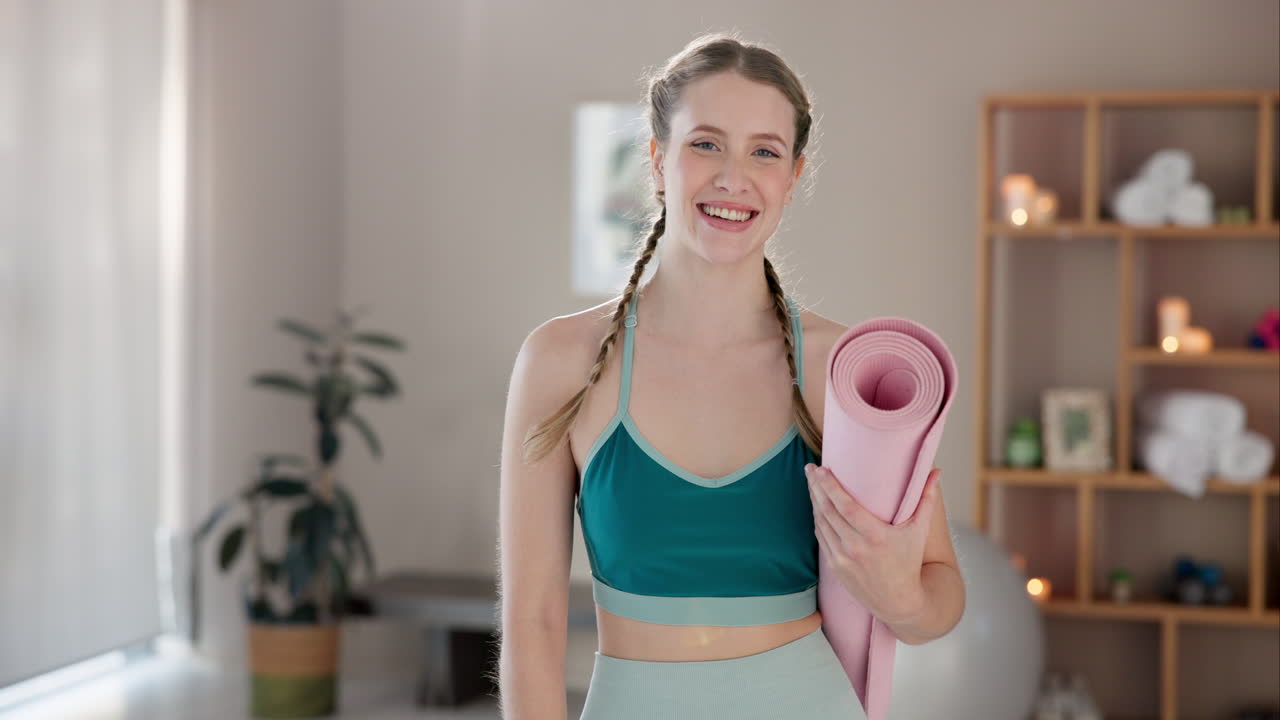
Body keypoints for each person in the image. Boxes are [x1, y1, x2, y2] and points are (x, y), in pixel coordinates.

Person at [497, 32, 964, 720]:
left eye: (764, 152)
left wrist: (900, 596)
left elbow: (940, 598)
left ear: (792, 177)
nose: (733, 177)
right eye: (705, 143)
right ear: (658, 161)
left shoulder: (839, 369)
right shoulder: (560, 361)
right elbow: (533, 626)